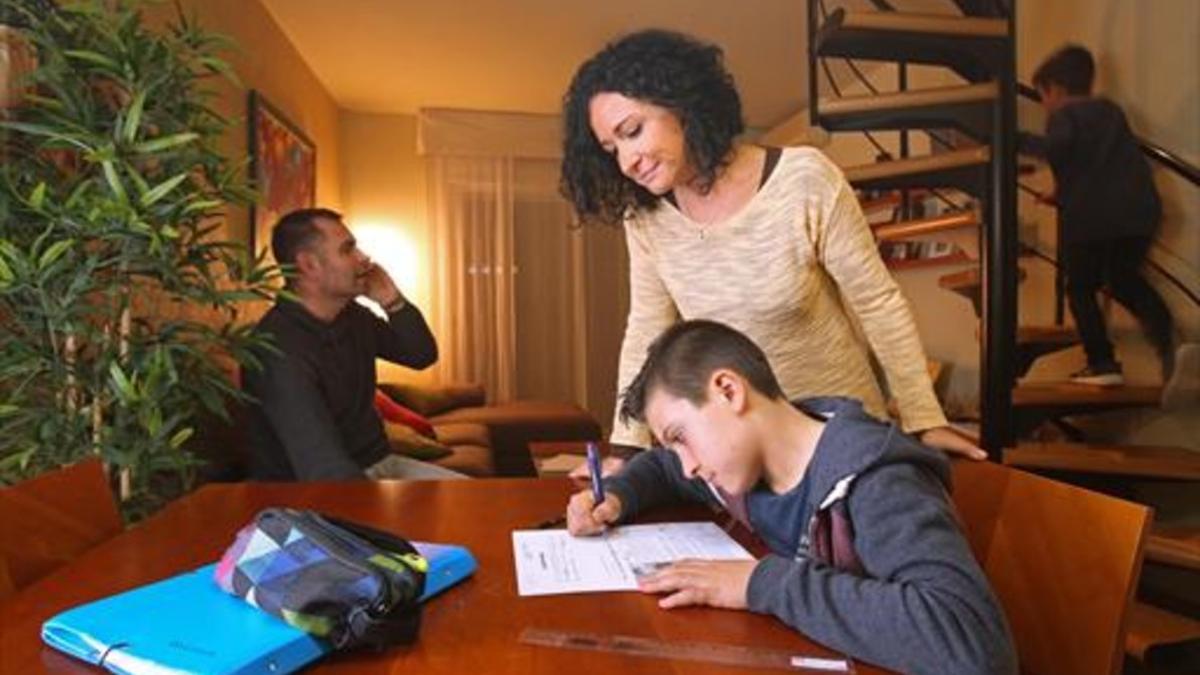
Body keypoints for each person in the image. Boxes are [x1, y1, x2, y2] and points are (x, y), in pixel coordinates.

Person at [559, 29, 984, 468]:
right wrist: (627, 448)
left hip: (837, 437)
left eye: (632, 131)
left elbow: (877, 302)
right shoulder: (646, 219)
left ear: (682, 104)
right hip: (740, 453)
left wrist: (922, 417)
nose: (627, 161)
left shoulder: (804, 179)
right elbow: (646, 329)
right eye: (611, 149)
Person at [566, 320, 1016, 675]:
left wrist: (760, 584)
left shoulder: (880, 482)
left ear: (728, 390)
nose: (687, 466)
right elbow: (664, 471)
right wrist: (618, 497)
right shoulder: (737, 463)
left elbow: (973, 644)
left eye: (681, 437)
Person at [243, 208, 465, 481]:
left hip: (381, 464)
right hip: (314, 493)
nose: (364, 259)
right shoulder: (278, 349)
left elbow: (420, 355)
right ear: (309, 265)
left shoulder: (352, 316)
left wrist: (393, 302)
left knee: (486, 505)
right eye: (348, 250)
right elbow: (326, 470)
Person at [1019, 45, 1174, 387]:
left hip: (1094, 219)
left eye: (1042, 96)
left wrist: (1014, 139)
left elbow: (1057, 149)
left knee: (1079, 288)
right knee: (1124, 280)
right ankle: (1170, 343)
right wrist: (1061, 193)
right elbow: (1099, 163)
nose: (1044, 105)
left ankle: (1102, 362)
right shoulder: (1110, 112)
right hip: (1139, 213)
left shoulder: (1065, 116)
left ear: (1055, 89)